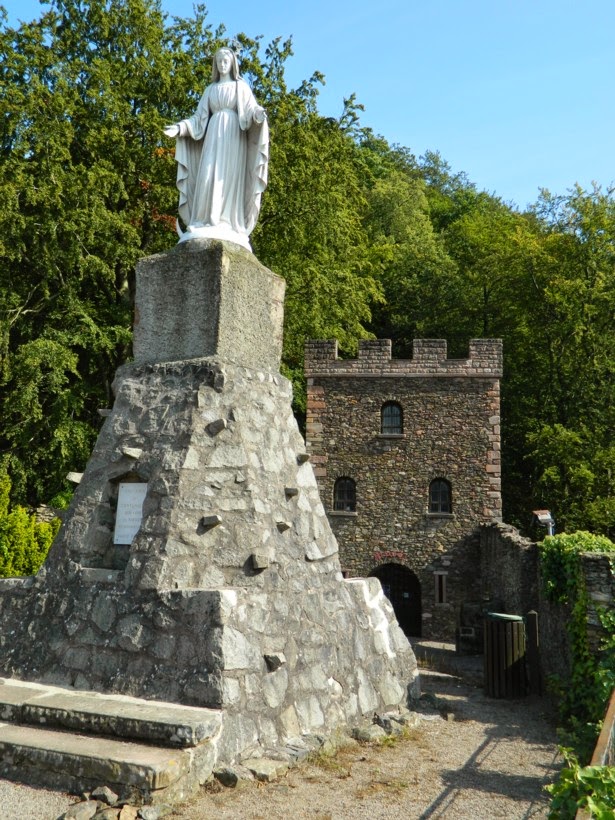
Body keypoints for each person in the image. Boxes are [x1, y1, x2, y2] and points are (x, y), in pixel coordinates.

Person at [164, 47, 269, 250]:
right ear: (215, 64)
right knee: (207, 175)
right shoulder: (210, 90)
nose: (222, 64)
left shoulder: (241, 87)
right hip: (213, 136)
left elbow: (250, 109)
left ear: (232, 64)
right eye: (219, 61)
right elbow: (198, 119)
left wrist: (258, 114)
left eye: (225, 61)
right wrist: (180, 127)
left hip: (233, 136)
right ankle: (204, 220)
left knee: (227, 176)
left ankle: (227, 221)